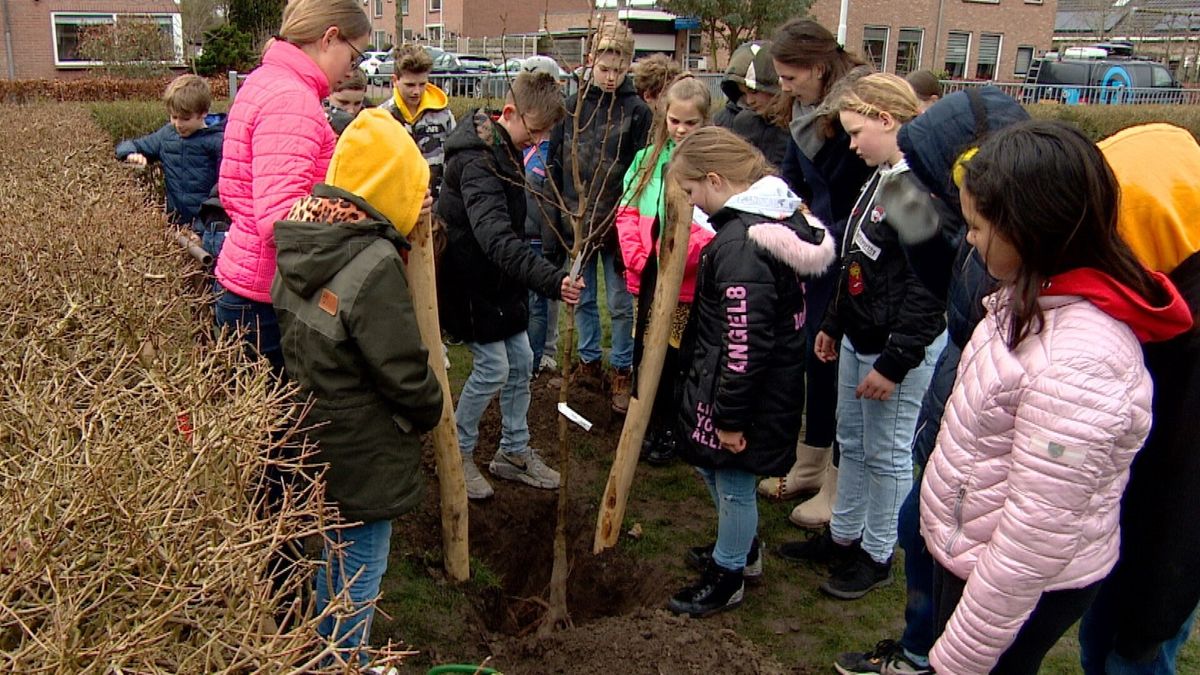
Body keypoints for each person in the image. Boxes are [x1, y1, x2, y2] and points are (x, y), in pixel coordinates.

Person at [920, 120, 1191, 675]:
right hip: (976, 553)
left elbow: (1032, 537)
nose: (968, 239)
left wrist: (960, 659)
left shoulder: (1079, 362)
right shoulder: (1033, 298)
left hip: (1010, 584)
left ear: (1029, 228)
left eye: (976, 226)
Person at [831, 85, 1029, 675]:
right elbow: (949, 288)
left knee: (917, 510)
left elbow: (930, 300)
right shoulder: (910, 192)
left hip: (968, 421)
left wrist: (897, 359)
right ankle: (918, 645)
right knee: (919, 525)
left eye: (856, 131)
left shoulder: (1004, 243)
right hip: (949, 399)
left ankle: (921, 634)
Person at [271, 108, 443, 665]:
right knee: (362, 562)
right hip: (362, 444)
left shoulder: (304, 234)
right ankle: (341, 660)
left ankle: (324, 649)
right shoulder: (371, 262)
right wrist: (429, 408)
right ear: (389, 186)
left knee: (333, 553)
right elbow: (401, 368)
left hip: (313, 425)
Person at [784, 74, 946, 601]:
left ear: (886, 119)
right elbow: (856, 259)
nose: (852, 145)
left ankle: (878, 553)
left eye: (857, 132)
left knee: (889, 451)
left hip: (893, 347)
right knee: (851, 441)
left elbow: (930, 284)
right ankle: (844, 534)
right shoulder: (882, 176)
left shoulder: (912, 187)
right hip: (859, 335)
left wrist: (897, 359)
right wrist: (834, 321)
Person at [666, 126, 835, 617]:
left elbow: (744, 341)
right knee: (710, 465)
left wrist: (731, 417)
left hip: (746, 394)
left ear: (715, 180)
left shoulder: (742, 247)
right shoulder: (773, 220)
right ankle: (741, 548)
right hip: (752, 384)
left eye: (693, 192)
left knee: (734, 480)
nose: (693, 204)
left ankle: (729, 574)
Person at [1078, 123, 1200, 675]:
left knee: (1128, 662)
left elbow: (1188, 501)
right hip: (1125, 534)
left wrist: (1150, 623)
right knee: (1097, 645)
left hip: (1160, 566)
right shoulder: (1162, 297)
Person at [437, 72, 581, 500]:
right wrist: (552, 281)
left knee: (522, 359)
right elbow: (496, 238)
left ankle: (513, 452)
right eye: (533, 133)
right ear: (511, 113)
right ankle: (458, 455)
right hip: (469, 283)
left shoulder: (505, 148)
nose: (535, 143)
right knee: (494, 368)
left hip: (499, 283)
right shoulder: (477, 161)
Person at [215, 0, 370, 374]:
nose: (352, 69)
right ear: (330, 38)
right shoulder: (292, 100)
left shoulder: (268, 81)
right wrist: (364, 217)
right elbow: (281, 219)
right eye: (354, 57)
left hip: (247, 279)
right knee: (280, 427)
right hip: (265, 295)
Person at [759, 20, 874, 526]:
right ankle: (809, 461)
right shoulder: (805, 113)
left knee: (836, 361)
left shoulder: (859, 114)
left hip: (855, 258)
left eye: (789, 77)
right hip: (816, 253)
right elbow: (790, 176)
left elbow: (868, 189)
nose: (783, 88)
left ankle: (837, 482)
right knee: (813, 356)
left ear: (819, 67)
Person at [548, 22, 652, 415]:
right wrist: (562, 212)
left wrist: (628, 218)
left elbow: (640, 169)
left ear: (629, 65)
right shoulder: (572, 108)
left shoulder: (637, 112)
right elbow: (557, 162)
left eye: (619, 69)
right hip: (577, 218)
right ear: (591, 62)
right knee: (584, 295)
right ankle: (589, 361)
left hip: (619, 222)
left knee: (622, 301)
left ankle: (621, 366)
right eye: (605, 68)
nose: (611, 77)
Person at [614, 75, 715, 466]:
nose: (682, 130)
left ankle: (672, 428)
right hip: (649, 278)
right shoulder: (647, 160)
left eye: (691, 123)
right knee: (645, 352)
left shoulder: (711, 168)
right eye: (675, 121)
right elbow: (627, 211)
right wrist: (639, 257)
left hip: (687, 287)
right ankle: (643, 423)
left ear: (705, 122)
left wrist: (676, 261)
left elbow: (710, 232)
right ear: (664, 117)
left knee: (678, 359)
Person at [116, 74, 225, 226]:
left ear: (203, 113)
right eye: (174, 117)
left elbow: (223, 192)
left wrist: (203, 231)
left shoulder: (219, 142)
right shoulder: (167, 135)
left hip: (207, 227)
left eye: (185, 119)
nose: (178, 124)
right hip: (175, 224)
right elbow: (133, 144)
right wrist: (130, 153)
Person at [379, 43, 456, 198]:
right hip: (397, 204)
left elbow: (454, 162)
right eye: (410, 85)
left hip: (436, 203)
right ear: (395, 80)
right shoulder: (382, 117)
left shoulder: (444, 115)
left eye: (422, 84)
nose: (416, 91)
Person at [726, 41, 791, 168]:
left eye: (754, 91)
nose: (749, 101)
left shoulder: (798, 126)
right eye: (743, 93)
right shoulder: (741, 122)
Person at [325, 69, 369, 135]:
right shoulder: (313, 123)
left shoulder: (369, 122)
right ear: (327, 96)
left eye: (357, 103)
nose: (351, 111)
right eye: (344, 103)